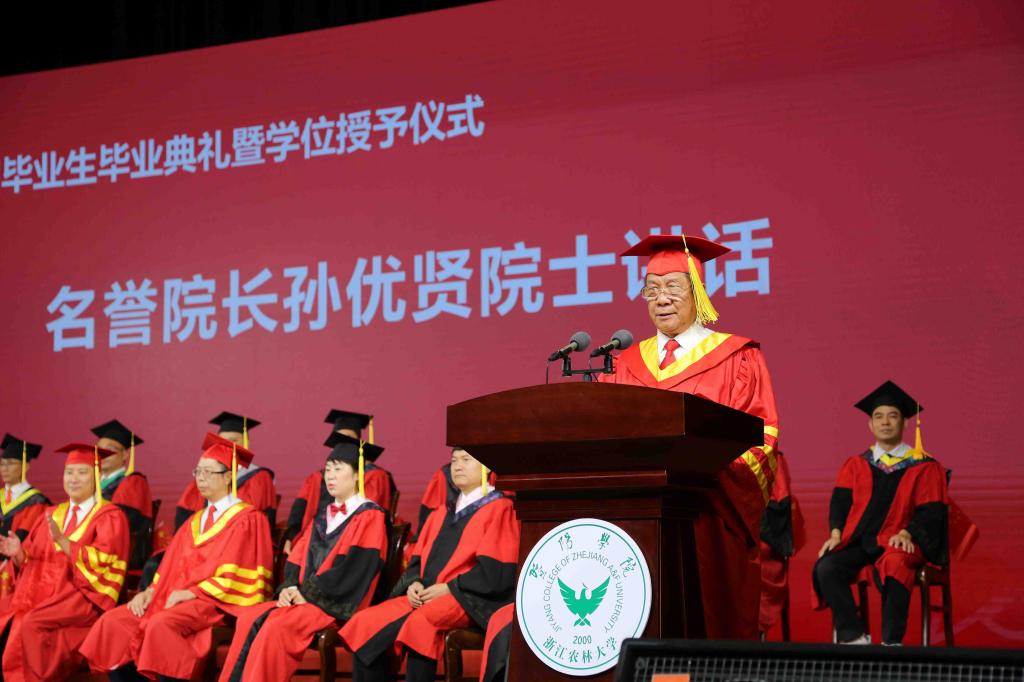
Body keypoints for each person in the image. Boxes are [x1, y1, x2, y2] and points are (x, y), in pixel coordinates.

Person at [601, 234, 781, 639]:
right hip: (639, 517)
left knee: (705, 619)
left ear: (698, 292)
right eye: (651, 289)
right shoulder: (625, 363)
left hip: (710, 514)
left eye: (672, 287)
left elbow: (762, 437)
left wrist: (703, 467)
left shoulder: (737, 357)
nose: (661, 299)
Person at [80, 433, 274, 681]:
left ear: (228, 477)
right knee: (114, 622)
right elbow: (171, 566)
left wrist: (192, 593)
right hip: (174, 595)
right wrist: (150, 591)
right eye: (198, 471)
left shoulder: (248, 519)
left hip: (215, 602)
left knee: (160, 624)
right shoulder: (195, 521)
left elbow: (238, 574)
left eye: (208, 472)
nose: (200, 478)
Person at [217, 437, 389, 681]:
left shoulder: (370, 516)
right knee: (248, 618)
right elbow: (296, 558)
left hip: (336, 604)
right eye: (327, 470)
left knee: (277, 626)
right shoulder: (324, 516)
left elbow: (355, 570)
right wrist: (289, 588)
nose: (330, 476)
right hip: (306, 599)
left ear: (357, 475)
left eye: (338, 469)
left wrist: (307, 594)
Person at [340, 448, 518, 682]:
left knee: (421, 623)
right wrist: (413, 583)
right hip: (427, 594)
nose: (458, 466)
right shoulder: (442, 512)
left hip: (468, 597)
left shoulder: (500, 508)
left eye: (466, 460)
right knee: (365, 622)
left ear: (486, 468)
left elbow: (497, 572)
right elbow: (417, 560)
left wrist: (449, 588)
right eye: (454, 460)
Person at [813, 380, 948, 645]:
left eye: (892, 416)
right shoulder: (856, 464)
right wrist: (836, 533)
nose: (885, 422)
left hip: (901, 541)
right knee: (827, 566)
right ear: (870, 425)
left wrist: (908, 533)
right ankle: (854, 636)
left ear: (905, 423)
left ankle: (891, 644)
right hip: (863, 541)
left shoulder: (925, 466)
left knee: (895, 563)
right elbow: (840, 502)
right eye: (878, 416)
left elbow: (933, 511)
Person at [0, 443, 129, 681]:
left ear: (96, 476)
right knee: (8, 616)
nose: (73, 479)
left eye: (82, 472)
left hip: (78, 598)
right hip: (38, 594)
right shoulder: (51, 514)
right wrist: (18, 554)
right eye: (69, 472)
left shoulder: (110, 516)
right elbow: (32, 561)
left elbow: (106, 565)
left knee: (30, 623)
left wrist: (65, 542)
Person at [284, 409, 397, 551]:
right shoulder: (315, 478)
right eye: (338, 438)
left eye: (349, 438)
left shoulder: (374, 475)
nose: (343, 442)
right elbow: (298, 510)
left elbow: (367, 516)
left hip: (352, 541)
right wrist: (290, 537)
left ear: (359, 442)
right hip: (312, 540)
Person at [174, 412, 277, 529]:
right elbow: (184, 513)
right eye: (222, 441)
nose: (227, 445)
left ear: (246, 443)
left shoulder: (259, 477)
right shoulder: (204, 475)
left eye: (234, 440)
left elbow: (257, 516)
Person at [92, 419, 153, 569]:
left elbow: (123, 523)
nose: (103, 454)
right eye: (99, 449)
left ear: (125, 455)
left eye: (110, 449)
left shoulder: (133, 481)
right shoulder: (90, 483)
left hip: (115, 553)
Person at [0, 435, 50, 599]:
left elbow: (30, 541)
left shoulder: (37, 502)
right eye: (2, 463)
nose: (4, 468)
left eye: (11, 463)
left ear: (26, 466)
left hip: (14, 570)